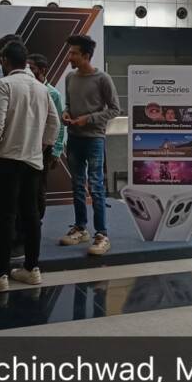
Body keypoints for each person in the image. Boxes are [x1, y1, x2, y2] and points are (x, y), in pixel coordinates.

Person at [0, 41, 60, 291]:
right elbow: (54, 123)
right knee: (31, 215)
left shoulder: (4, 84)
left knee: (6, 216)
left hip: (6, 160)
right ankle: (32, 269)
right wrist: (42, 146)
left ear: (4, 60)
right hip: (33, 161)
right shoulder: (41, 88)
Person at [59, 34, 121, 256]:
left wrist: (89, 119)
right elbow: (68, 104)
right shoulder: (70, 78)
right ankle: (80, 228)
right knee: (77, 185)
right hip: (74, 138)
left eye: (74, 53)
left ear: (86, 56)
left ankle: (102, 234)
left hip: (94, 139)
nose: (70, 57)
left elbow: (115, 109)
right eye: (70, 52)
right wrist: (66, 113)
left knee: (95, 186)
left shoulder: (103, 79)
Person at [26, 53, 66, 220]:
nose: (28, 71)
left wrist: (57, 151)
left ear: (42, 70)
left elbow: (59, 124)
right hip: (26, 145)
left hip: (44, 147)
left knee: (39, 187)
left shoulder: (53, 93)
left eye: (32, 68)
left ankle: (38, 222)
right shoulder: (25, 88)